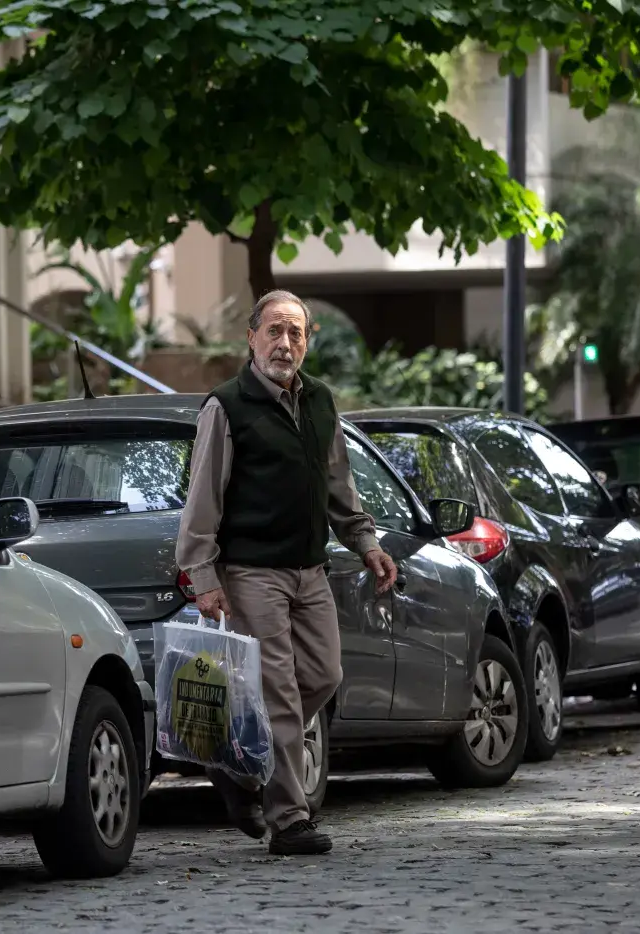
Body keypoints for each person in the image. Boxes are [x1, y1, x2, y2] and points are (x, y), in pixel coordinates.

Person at [176, 288, 397, 856]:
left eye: (295, 332)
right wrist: (203, 576)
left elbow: (337, 485)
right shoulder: (226, 406)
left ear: (307, 341)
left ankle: (238, 764)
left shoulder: (321, 401)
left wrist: (365, 541)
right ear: (251, 338)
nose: (285, 342)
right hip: (252, 572)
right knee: (277, 691)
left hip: (310, 568)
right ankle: (289, 819)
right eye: (274, 330)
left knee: (323, 676)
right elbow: (203, 499)